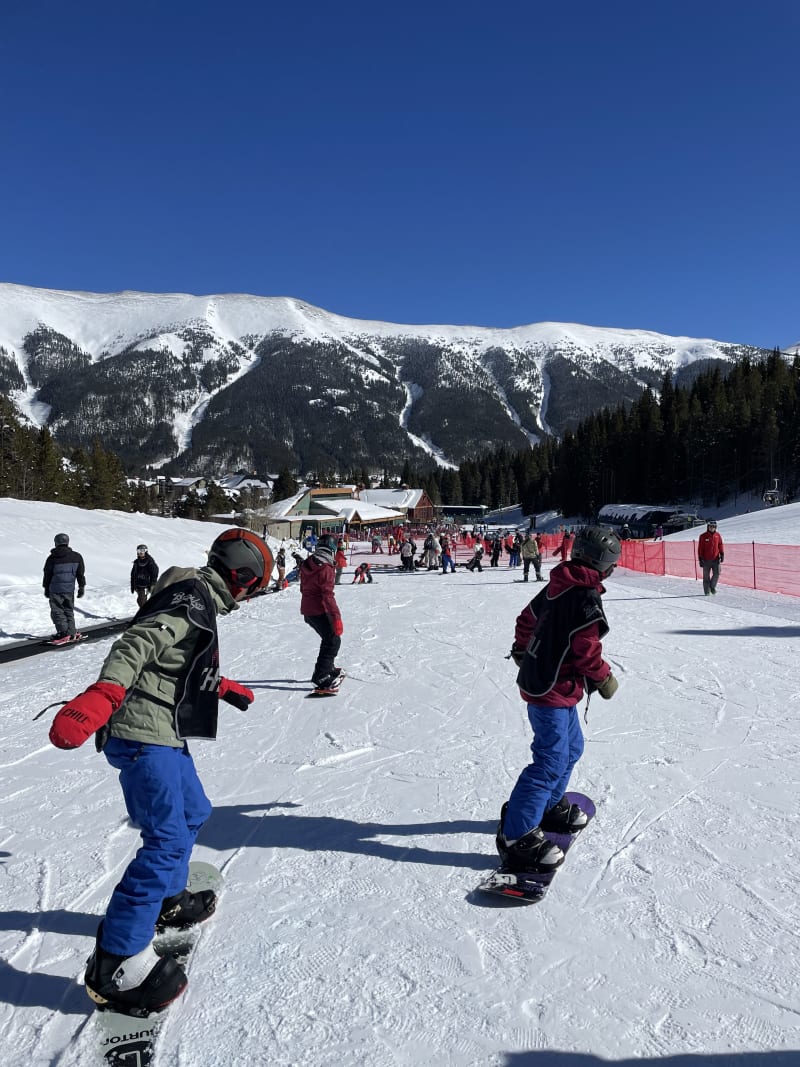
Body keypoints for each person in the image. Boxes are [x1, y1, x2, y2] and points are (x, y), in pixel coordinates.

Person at [47, 528, 273, 1015]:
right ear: (244, 578)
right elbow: (139, 644)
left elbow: (175, 662)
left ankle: (168, 899)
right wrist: (104, 693)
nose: (253, 593)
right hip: (140, 729)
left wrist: (222, 686)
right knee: (166, 837)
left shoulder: (195, 596)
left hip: (163, 728)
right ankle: (116, 962)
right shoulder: (191, 598)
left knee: (194, 810)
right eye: (255, 584)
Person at [496, 526, 621, 872]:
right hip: (550, 688)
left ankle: (548, 806)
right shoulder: (584, 598)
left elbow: (527, 619)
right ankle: (516, 836)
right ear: (605, 566)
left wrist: (523, 647)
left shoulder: (559, 582)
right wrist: (604, 678)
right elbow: (586, 652)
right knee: (550, 760)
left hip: (556, 685)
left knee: (572, 747)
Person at [299, 533, 344, 690]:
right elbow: (327, 596)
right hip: (318, 610)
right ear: (332, 549)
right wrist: (336, 617)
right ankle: (321, 677)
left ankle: (328, 668)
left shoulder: (309, 562)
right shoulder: (326, 568)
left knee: (329, 639)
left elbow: (302, 587)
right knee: (332, 640)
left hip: (308, 609)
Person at [43, 533, 86, 644]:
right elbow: (80, 574)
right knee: (68, 610)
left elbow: (47, 574)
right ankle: (71, 631)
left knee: (57, 611)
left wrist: (46, 588)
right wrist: (81, 587)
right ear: (67, 542)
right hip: (69, 589)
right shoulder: (77, 556)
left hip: (55, 589)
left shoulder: (52, 558)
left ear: (56, 542)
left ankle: (63, 633)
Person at [697, 519, 724, 595]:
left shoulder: (717, 535)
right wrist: (700, 559)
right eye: (711, 526)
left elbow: (720, 544)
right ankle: (707, 591)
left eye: (714, 527)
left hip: (716, 559)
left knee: (717, 573)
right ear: (708, 527)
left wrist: (722, 554)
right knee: (706, 577)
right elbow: (700, 548)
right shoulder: (703, 536)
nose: (712, 528)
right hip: (706, 560)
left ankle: (712, 587)